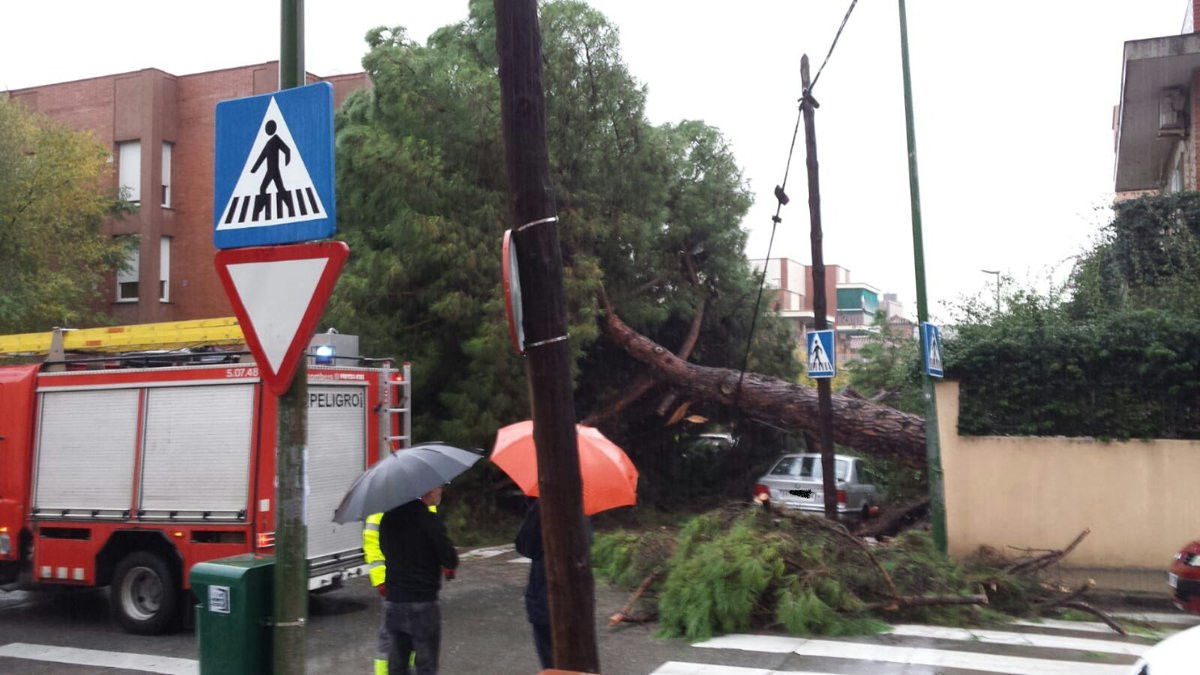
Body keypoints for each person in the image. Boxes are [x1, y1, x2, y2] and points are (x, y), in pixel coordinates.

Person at [379, 486, 458, 675]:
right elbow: (449, 559)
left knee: (397, 666)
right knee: (426, 665)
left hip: (394, 602)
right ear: (428, 490)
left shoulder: (388, 518)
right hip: (423, 603)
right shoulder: (429, 521)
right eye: (438, 487)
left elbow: (384, 549)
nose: (441, 492)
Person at [515, 500, 592, 670]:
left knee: (553, 663)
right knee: (576, 664)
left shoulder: (544, 504)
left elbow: (524, 545)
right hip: (578, 600)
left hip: (547, 598)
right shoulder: (582, 505)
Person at [366, 502, 438, 675]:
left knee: (413, 636)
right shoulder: (384, 505)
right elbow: (371, 542)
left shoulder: (427, 505)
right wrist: (380, 579)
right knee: (392, 637)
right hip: (394, 584)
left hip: (416, 584)